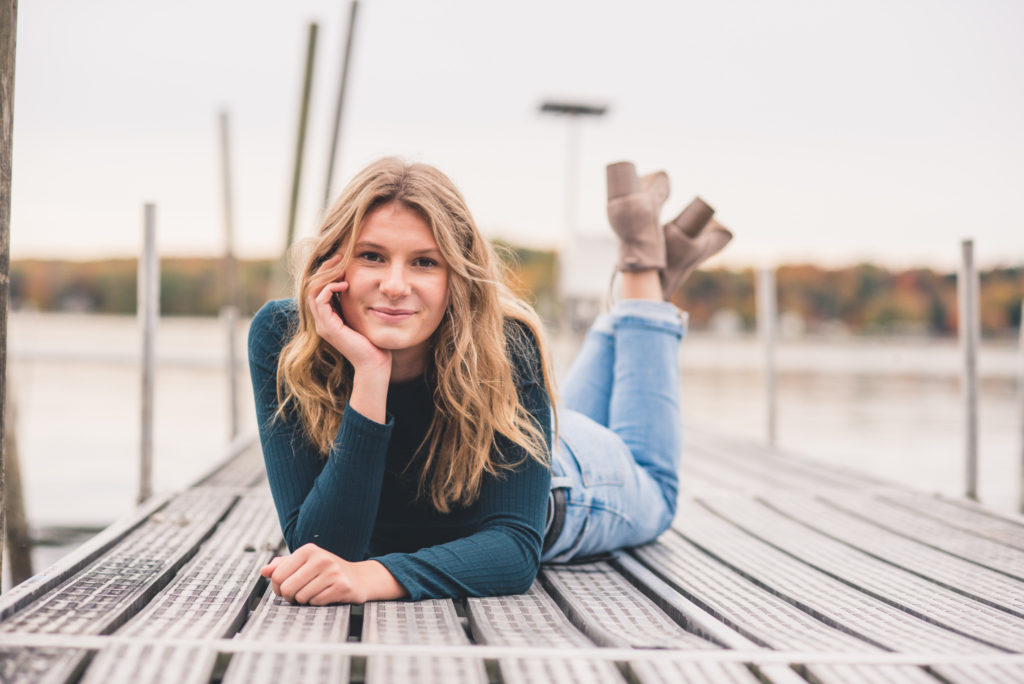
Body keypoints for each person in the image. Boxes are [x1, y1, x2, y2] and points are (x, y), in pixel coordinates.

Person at [248, 157, 731, 605]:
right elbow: (321, 551)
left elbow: (515, 549)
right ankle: (649, 278)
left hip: (568, 484)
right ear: (334, 263)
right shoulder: (284, 338)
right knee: (576, 418)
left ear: (457, 277)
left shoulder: (504, 342)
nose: (395, 285)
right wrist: (371, 373)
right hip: (539, 438)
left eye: (424, 262)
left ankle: (641, 262)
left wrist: (374, 576)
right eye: (372, 256)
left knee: (658, 491)